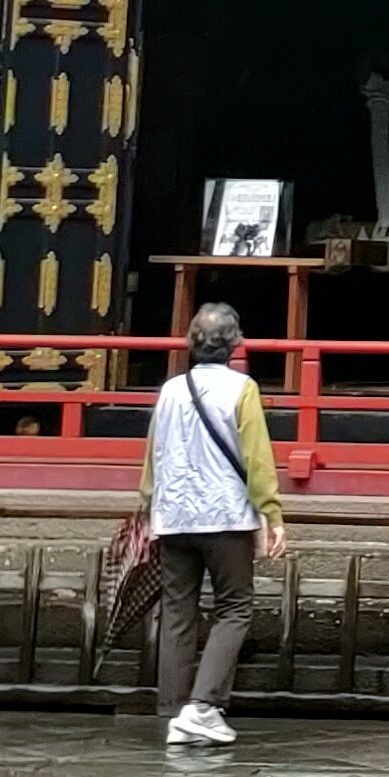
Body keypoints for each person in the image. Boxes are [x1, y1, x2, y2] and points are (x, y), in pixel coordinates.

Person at [139, 300, 284, 748]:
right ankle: (202, 708)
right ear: (236, 344)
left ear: (191, 344)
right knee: (234, 607)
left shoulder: (170, 390)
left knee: (178, 609)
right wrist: (272, 512)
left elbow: (152, 457)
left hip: (174, 513)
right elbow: (256, 458)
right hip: (223, 514)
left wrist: (149, 507)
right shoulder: (243, 388)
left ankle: (175, 709)